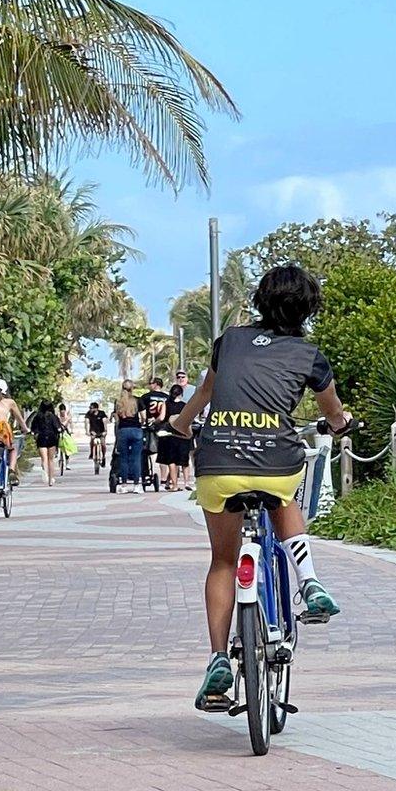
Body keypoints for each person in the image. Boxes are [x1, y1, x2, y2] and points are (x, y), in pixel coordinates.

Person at [168, 264, 350, 711]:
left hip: (219, 462)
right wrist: (341, 424)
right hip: (275, 460)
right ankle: (308, 582)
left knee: (224, 561)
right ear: (309, 308)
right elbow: (333, 412)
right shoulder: (309, 355)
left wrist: (180, 424)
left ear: (259, 301)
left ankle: (216, 660)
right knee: (284, 496)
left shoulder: (229, 342)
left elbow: (205, 394)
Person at [159, 370, 194, 490]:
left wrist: (156, 422)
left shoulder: (166, 404)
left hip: (170, 435)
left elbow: (162, 417)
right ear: (181, 393)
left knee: (172, 460)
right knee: (184, 460)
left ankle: (174, 485)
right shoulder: (185, 405)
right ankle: (186, 483)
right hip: (183, 435)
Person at [110, 381, 145, 490]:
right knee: (136, 458)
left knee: (123, 458)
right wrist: (141, 423)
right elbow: (144, 416)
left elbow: (116, 418)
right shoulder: (137, 400)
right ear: (132, 389)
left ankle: (124, 485)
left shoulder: (118, 402)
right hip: (136, 430)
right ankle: (136, 485)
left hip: (123, 431)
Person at [29, 397, 64, 486]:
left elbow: (33, 428)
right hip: (52, 438)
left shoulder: (37, 416)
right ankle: (51, 479)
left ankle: (45, 474)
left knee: (44, 459)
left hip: (41, 438)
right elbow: (58, 428)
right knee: (51, 460)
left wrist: (34, 433)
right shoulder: (53, 417)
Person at [86, 399, 109, 470]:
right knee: (92, 440)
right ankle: (91, 453)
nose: (90, 409)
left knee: (103, 444)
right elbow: (87, 422)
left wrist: (105, 431)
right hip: (93, 431)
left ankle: (103, 456)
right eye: (90, 408)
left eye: (92, 408)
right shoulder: (89, 414)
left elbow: (105, 421)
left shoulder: (102, 413)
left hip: (101, 431)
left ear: (96, 408)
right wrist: (87, 431)